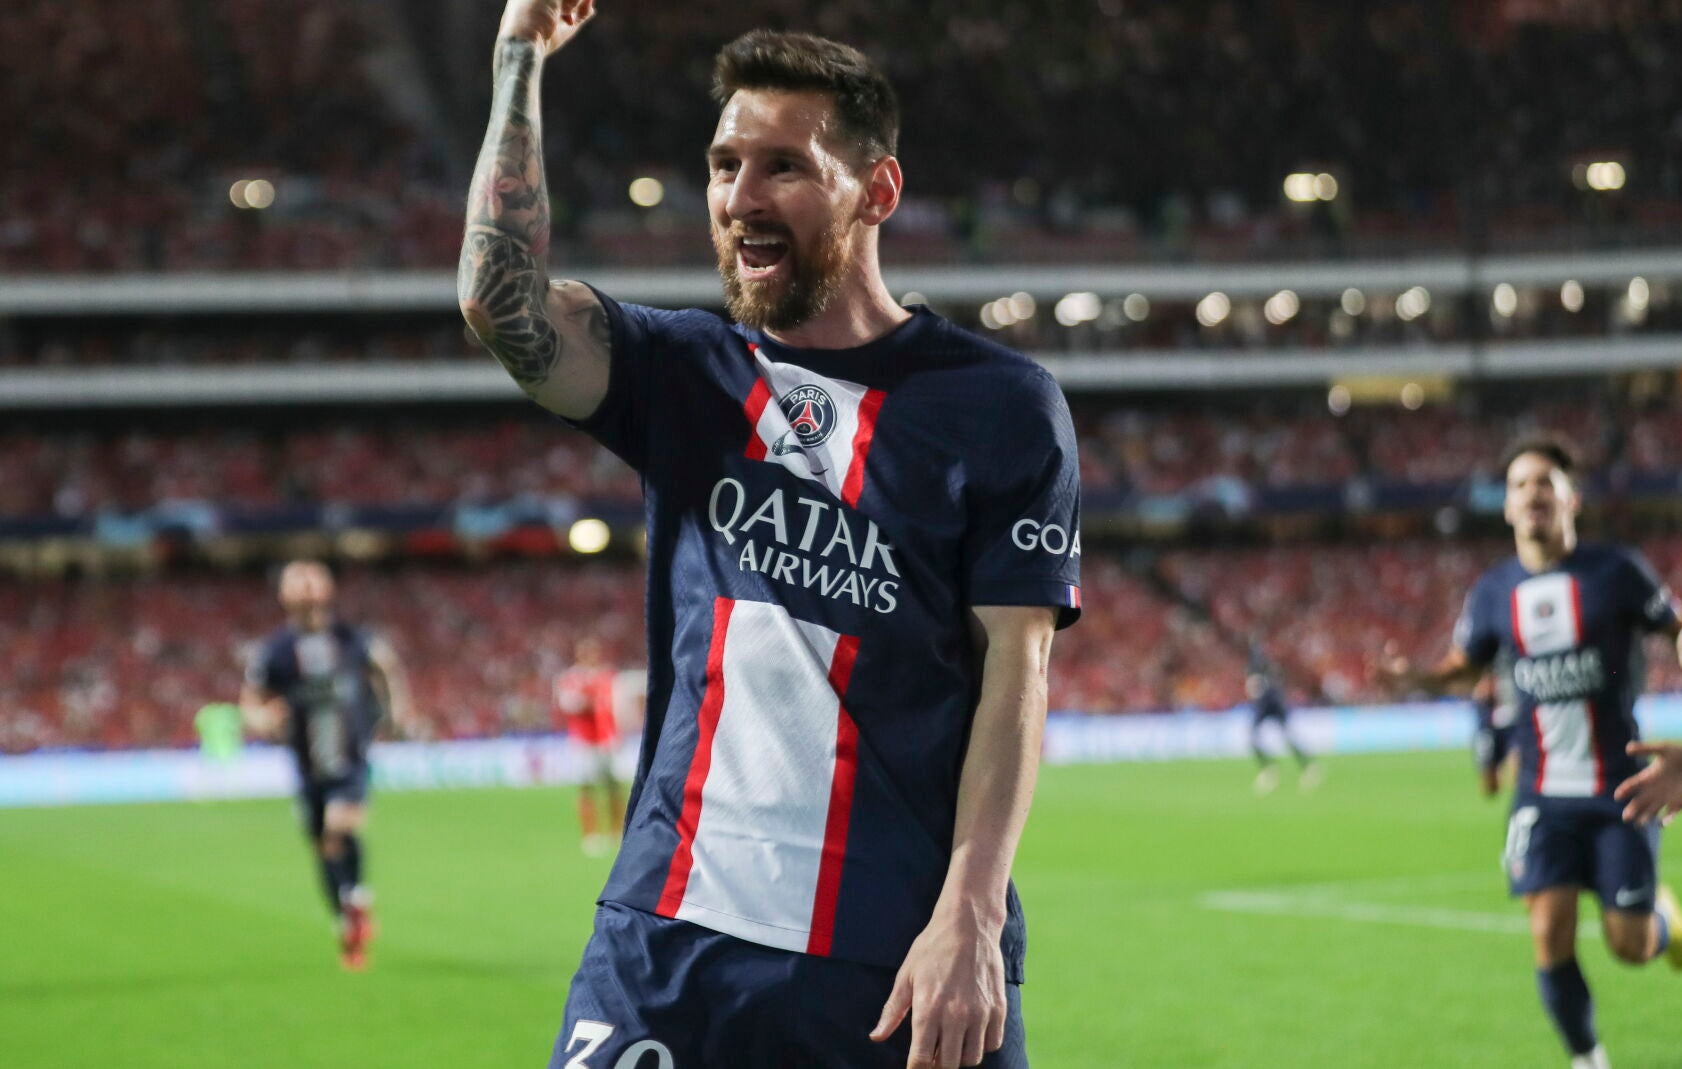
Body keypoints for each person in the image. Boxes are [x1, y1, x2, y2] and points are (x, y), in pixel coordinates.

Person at [459, 8, 1082, 1067]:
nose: (740, 196)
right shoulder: (684, 373)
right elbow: (497, 300)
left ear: (876, 190)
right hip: (668, 939)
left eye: (783, 166)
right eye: (723, 165)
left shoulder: (999, 404)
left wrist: (971, 915)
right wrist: (518, 58)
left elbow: (1015, 676)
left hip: (896, 954)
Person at [1385, 433, 1682, 1069]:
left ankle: (1663, 923)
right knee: (1547, 930)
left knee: (1629, 944)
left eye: (1544, 481)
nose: (1531, 493)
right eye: (1519, 485)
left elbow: (1677, 629)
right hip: (1540, 794)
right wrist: (1415, 679)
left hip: (1621, 787)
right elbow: (1464, 666)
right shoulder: (1492, 592)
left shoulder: (1616, 571)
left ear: (1571, 498)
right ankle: (1588, 1060)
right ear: (1507, 506)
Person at [241, 560, 420, 970]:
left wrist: (397, 710)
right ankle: (345, 916)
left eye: (313, 582)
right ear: (284, 596)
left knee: (339, 826)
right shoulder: (276, 651)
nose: (307, 591)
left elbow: (385, 667)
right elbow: (250, 702)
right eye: (298, 584)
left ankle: (356, 899)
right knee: (322, 844)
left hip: (351, 756)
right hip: (307, 765)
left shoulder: (352, 638)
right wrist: (263, 718)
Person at [554, 637, 627, 854]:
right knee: (586, 787)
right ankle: (591, 835)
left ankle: (617, 832)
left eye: (593, 652)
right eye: (585, 653)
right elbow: (568, 705)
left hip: (608, 739)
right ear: (578, 655)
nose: (590, 656)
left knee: (614, 787)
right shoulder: (571, 678)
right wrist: (588, 700)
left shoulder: (608, 676)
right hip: (584, 741)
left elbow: (618, 706)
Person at [1244, 644, 1317, 794]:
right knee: (1254, 739)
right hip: (1264, 706)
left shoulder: (1267, 672)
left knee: (1286, 738)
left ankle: (1306, 766)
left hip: (1274, 705)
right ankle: (1270, 768)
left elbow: (1272, 691)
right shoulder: (1255, 671)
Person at [1472, 669, 1518, 798]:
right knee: (1490, 788)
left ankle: (1523, 799)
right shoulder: (1489, 664)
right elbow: (1480, 692)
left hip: (1514, 725)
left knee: (1517, 766)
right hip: (1490, 727)